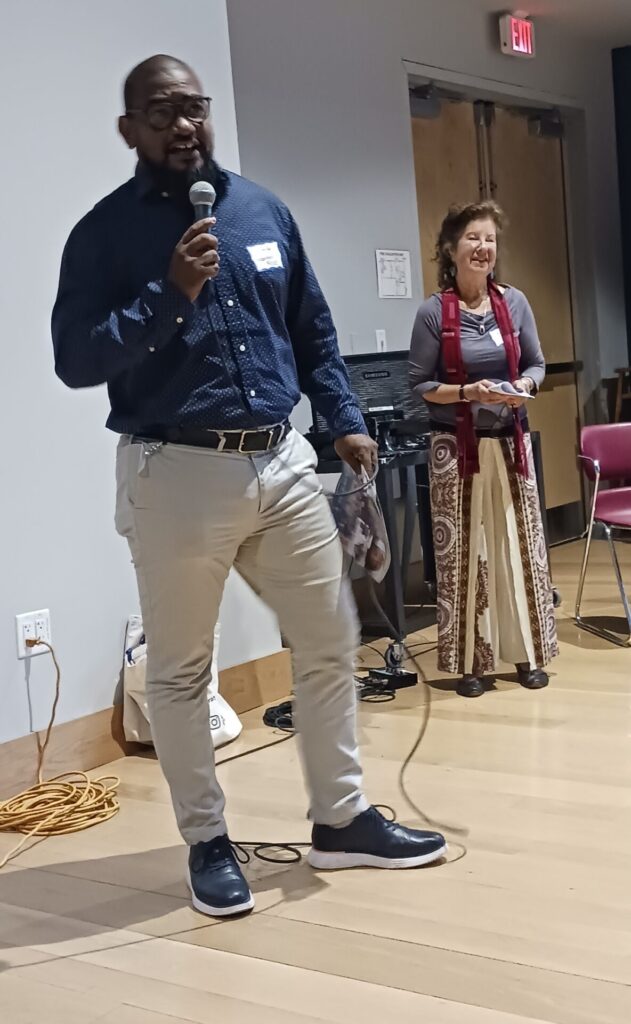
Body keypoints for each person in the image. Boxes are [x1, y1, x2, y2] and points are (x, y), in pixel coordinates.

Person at [52, 55, 446, 918]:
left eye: (194, 107)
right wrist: (170, 293)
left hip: (281, 461)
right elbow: (75, 359)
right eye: (162, 111)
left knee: (328, 634)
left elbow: (311, 324)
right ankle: (207, 842)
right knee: (185, 671)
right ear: (131, 130)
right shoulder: (104, 233)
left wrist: (340, 418)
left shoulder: (262, 210)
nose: (183, 124)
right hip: (175, 471)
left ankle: (341, 820)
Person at [409, 201, 558, 699]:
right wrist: (468, 394)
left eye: (490, 239)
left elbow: (537, 365)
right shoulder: (433, 313)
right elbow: (422, 385)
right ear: (451, 250)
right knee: (467, 555)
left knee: (517, 550)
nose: (483, 247)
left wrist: (523, 387)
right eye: (473, 238)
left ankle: (526, 655)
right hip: (457, 446)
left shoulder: (514, 303)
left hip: (509, 440)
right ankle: (471, 663)